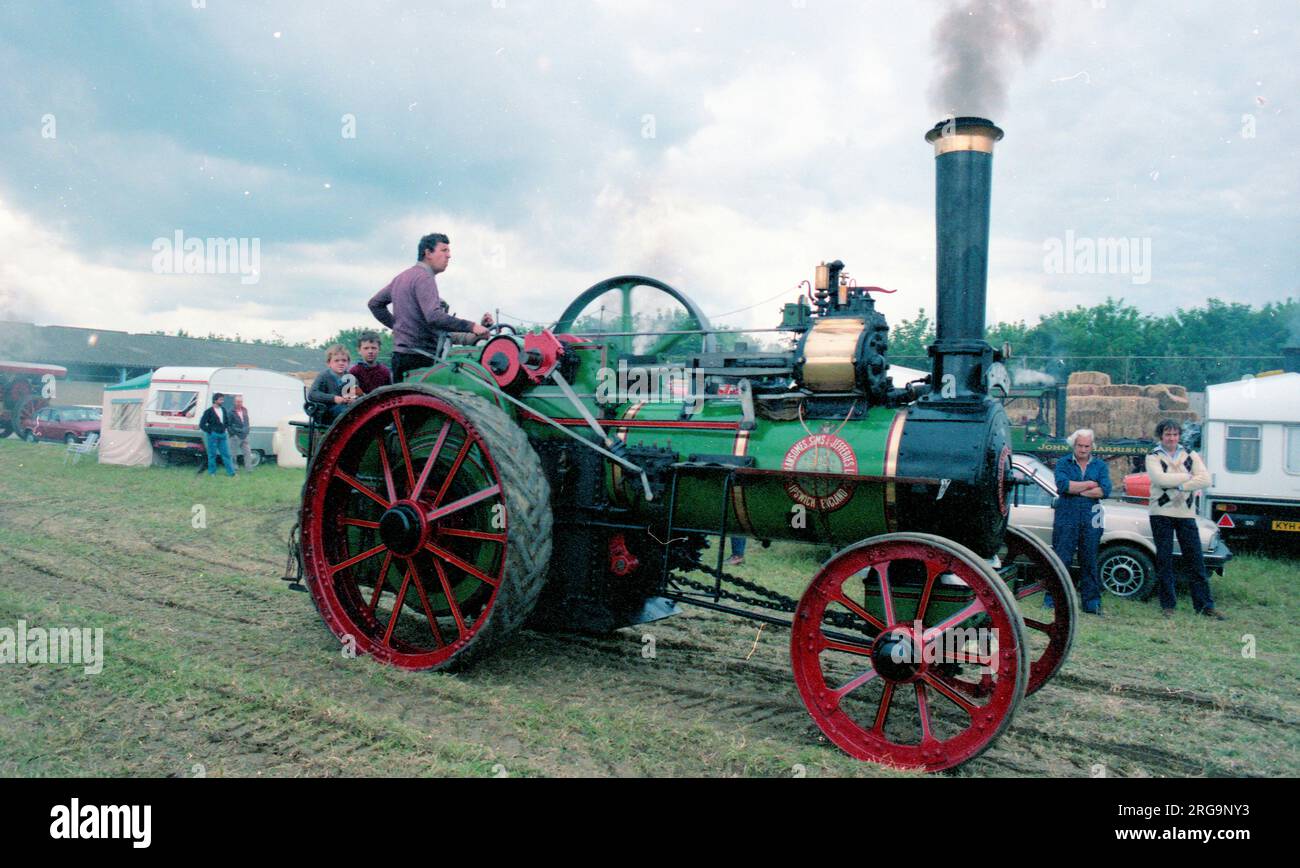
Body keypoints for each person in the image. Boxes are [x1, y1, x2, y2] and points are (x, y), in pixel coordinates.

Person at [368, 233, 493, 382]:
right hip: (420, 361)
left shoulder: (402, 277)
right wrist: (471, 326)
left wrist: (399, 327)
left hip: (401, 358)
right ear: (428, 253)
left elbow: (375, 304)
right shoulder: (425, 277)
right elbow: (434, 317)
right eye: (444, 250)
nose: (449, 256)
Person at [1145, 419, 1223, 620]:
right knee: (1164, 560)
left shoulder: (1190, 454)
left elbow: (1205, 479)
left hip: (1185, 513)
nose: (1172, 438)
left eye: (1175, 434)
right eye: (1168, 434)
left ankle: (1205, 606)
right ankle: (1168, 605)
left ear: (1179, 436)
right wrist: (1187, 477)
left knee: (1195, 559)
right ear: (1161, 436)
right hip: (1161, 512)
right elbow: (1159, 480)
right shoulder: (1153, 456)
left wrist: (1180, 485)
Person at [1051, 428, 1110, 615]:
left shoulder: (1100, 465)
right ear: (1073, 445)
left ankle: (1091, 603)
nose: (1083, 449)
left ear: (1091, 446)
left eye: (1087, 446)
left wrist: (1076, 489)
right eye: (1080, 445)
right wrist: (1090, 485)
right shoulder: (1062, 463)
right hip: (1066, 516)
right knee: (1062, 558)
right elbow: (1062, 485)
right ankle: (1054, 600)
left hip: (1091, 517)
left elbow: (1105, 490)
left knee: (1089, 559)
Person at [310, 344, 358, 422]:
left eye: (344, 360)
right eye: (336, 360)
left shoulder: (352, 378)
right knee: (344, 411)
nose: (341, 363)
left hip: (346, 410)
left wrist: (353, 399)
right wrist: (333, 398)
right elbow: (312, 394)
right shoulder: (324, 376)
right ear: (329, 363)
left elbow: (358, 395)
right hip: (326, 412)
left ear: (348, 362)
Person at [199, 393, 236, 477]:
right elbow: (202, 424)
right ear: (215, 400)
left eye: (222, 399)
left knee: (226, 454)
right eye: (220, 399)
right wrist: (210, 431)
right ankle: (212, 472)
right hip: (213, 435)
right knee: (212, 454)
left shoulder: (223, 410)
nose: (222, 401)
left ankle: (231, 473)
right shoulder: (208, 411)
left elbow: (226, 421)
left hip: (223, 435)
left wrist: (225, 428)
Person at [226, 394, 253, 472]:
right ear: (234, 402)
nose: (239, 403)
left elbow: (246, 421)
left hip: (244, 435)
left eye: (241, 402)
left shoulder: (245, 410)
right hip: (235, 436)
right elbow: (228, 424)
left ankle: (249, 469)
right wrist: (232, 434)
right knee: (233, 454)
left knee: (248, 452)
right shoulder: (231, 412)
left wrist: (247, 430)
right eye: (238, 402)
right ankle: (234, 468)